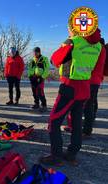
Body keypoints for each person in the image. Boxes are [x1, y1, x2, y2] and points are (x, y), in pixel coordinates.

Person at [40, 28, 106, 166]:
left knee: (54, 121)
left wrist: (67, 42)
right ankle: (71, 154)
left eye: (70, 28)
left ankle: (56, 156)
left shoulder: (72, 41)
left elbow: (54, 60)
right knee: (76, 123)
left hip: (70, 87)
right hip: (85, 88)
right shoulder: (99, 46)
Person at [28, 47, 50, 112]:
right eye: (34, 52)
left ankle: (44, 105)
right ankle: (36, 103)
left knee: (40, 92)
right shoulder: (32, 60)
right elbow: (30, 69)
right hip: (33, 78)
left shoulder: (44, 59)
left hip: (40, 78)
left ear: (39, 52)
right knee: (34, 91)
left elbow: (47, 69)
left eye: (36, 52)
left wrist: (42, 77)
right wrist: (30, 77)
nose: (35, 54)